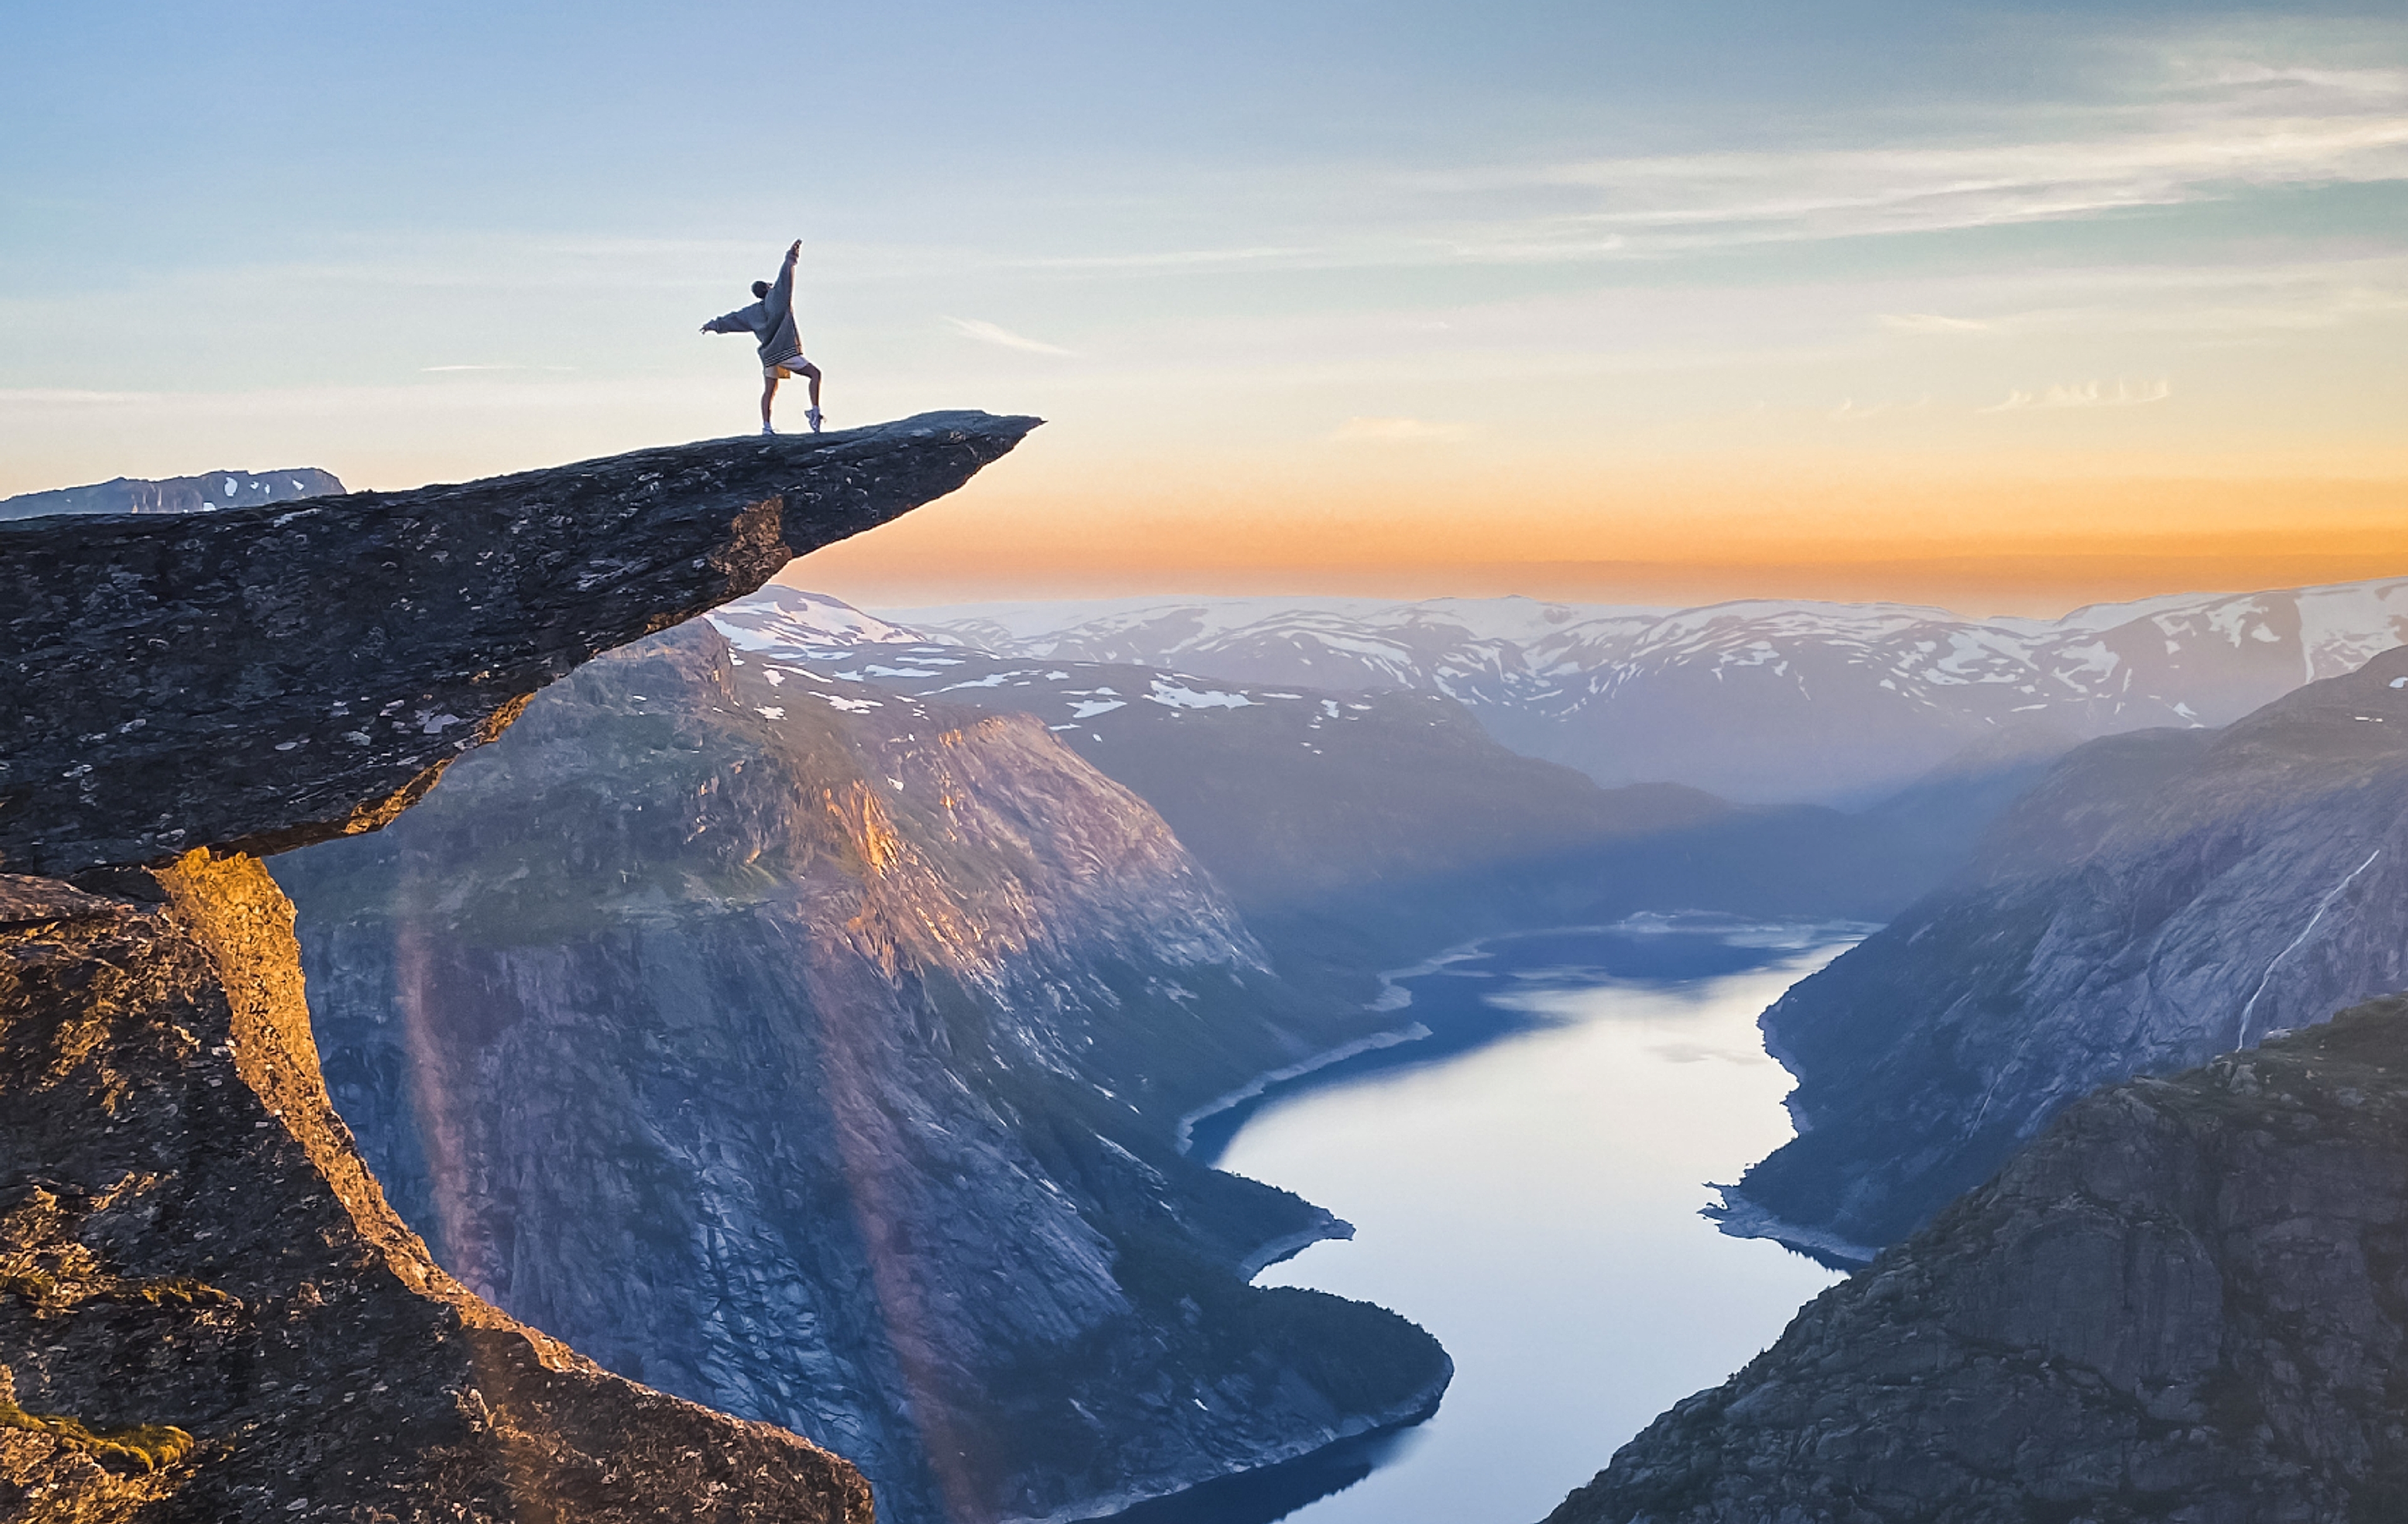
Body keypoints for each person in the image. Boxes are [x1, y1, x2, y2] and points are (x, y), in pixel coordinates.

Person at [701, 239, 823, 434]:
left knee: (770, 390)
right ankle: (815, 414)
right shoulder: (778, 298)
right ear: (767, 289)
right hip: (786, 351)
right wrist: (791, 257)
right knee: (815, 374)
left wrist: (714, 325)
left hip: (769, 356)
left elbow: (734, 319)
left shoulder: (753, 312)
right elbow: (785, 277)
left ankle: (766, 427)